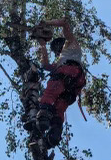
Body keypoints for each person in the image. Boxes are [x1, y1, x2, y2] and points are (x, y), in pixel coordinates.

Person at [36, 18, 86, 147]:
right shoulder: (61, 61)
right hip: (76, 82)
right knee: (60, 106)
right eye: (54, 49)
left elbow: (64, 22)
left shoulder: (71, 44)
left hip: (70, 71)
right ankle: (55, 132)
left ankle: (44, 115)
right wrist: (42, 44)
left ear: (62, 43)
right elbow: (45, 65)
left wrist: (46, 23)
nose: (57, 50)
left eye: (57, 46)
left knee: (51, 90)